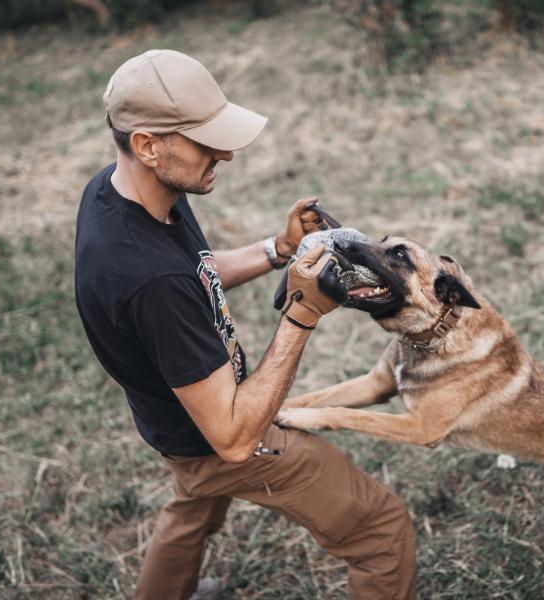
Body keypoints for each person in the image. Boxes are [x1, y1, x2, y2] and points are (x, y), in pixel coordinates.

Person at [74, 49, 416, 600]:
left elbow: (194, 274)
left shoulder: (124, 190)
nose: (226, 153)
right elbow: (232, 439)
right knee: (381, 530)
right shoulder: (146, 278)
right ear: (147, 143)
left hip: (176, 425)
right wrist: (301, 313)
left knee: (191, 513)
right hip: (217, 435)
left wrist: (276, 251)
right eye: (206, 141)